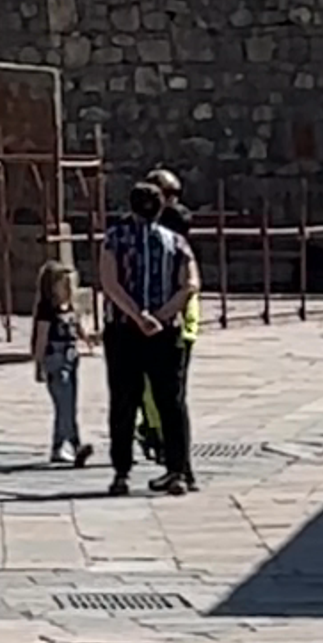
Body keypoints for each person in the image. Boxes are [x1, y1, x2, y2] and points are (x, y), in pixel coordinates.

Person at [101, 171, 198, 495]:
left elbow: (109, 283)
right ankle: (177, 470)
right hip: (165, 331)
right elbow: (190, 284)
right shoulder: (177, 242)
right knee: (171, 402)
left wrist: (137, 315)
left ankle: (121, 472)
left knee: (123, 401)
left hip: (123, 330)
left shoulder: (114, 238)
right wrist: (159, 316)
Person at [31, 237, 89, 470]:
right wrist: (39, 365)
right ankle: (65, 445)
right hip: (55, 358)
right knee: (63, 404)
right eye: (61, 284)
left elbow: (80, 329)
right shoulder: (47, 310)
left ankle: (70, 444)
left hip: (72, 356)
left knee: (71, 404)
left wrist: (92, 339)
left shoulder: (70, 307)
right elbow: (41, 338)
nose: (66, 288)